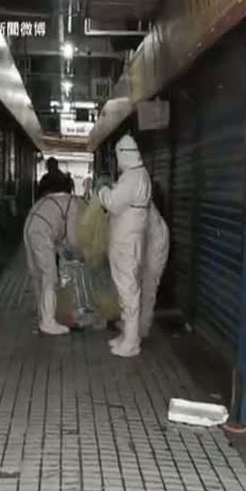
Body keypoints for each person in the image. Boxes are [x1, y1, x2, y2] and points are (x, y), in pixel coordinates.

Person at [97, 134, 169, 357]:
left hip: (129, 242)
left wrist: (102, 190)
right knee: (128, 288)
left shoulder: (133, 177)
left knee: (130, 289)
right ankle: (130, 334)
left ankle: (131, 341)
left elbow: (113, 203)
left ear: (123, 155)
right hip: (132, 241)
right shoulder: (137, 175)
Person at [23, 171, 84, 335]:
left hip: (30, 226)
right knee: (50, 276)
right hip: (42, 233)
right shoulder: (72, 203)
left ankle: (42, 313)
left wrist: (64, 248)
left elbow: (59, 232)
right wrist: (79, 253)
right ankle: (48, 322)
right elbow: (71, 236)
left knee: (38, 274)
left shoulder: (51, 198)